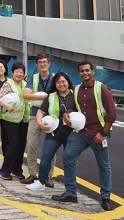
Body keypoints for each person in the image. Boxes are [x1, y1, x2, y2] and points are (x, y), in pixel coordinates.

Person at [52, 61, 116, 211]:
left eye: (87, 70)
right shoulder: (77, 89)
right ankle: (70, 193)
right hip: (81, 132)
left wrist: (103, 133)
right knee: (68, 157)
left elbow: (111, 115)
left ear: (92, 71)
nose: (85, 73)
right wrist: (67, 113)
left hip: (98, 134)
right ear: (79, 73)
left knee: (104, 165)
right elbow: (74, 107)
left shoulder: (102, 89)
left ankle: (106, 198)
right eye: (82, 71)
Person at [26, 72, 73, 190]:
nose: (61, 84)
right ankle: (41, 182)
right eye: (58, 82)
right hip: (55, 132)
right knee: (46, 156)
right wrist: (40, 122)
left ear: (68, 82)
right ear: (55, 84)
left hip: (71, 134)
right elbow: (40, 111)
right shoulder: (51, 96)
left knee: (69, 160)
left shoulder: (75, 95)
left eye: (63, 81)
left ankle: (70, 189)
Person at [21, 53, 55, 187]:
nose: (42, 64)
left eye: (45, 62)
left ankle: (49, 176)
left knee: (51, 146)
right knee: (31, 144)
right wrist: (43, 98)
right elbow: (25, 95)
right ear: (36, 65)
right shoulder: (33, 78)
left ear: (49, 63)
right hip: (35, 114)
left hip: (52, 115)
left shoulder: (55, 78)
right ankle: (32, 174)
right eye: (40, 62)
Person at [0, 62, 30, 180]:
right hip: (9, 118)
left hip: (23, 119)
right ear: (12, 73)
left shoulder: (26, 85)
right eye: (17, 72)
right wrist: (7, 106)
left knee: (21, 145)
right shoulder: (8, 84)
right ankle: (4, 171)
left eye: (21, 72)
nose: (19, 74)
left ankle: (17, 170)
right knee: (14, 142)